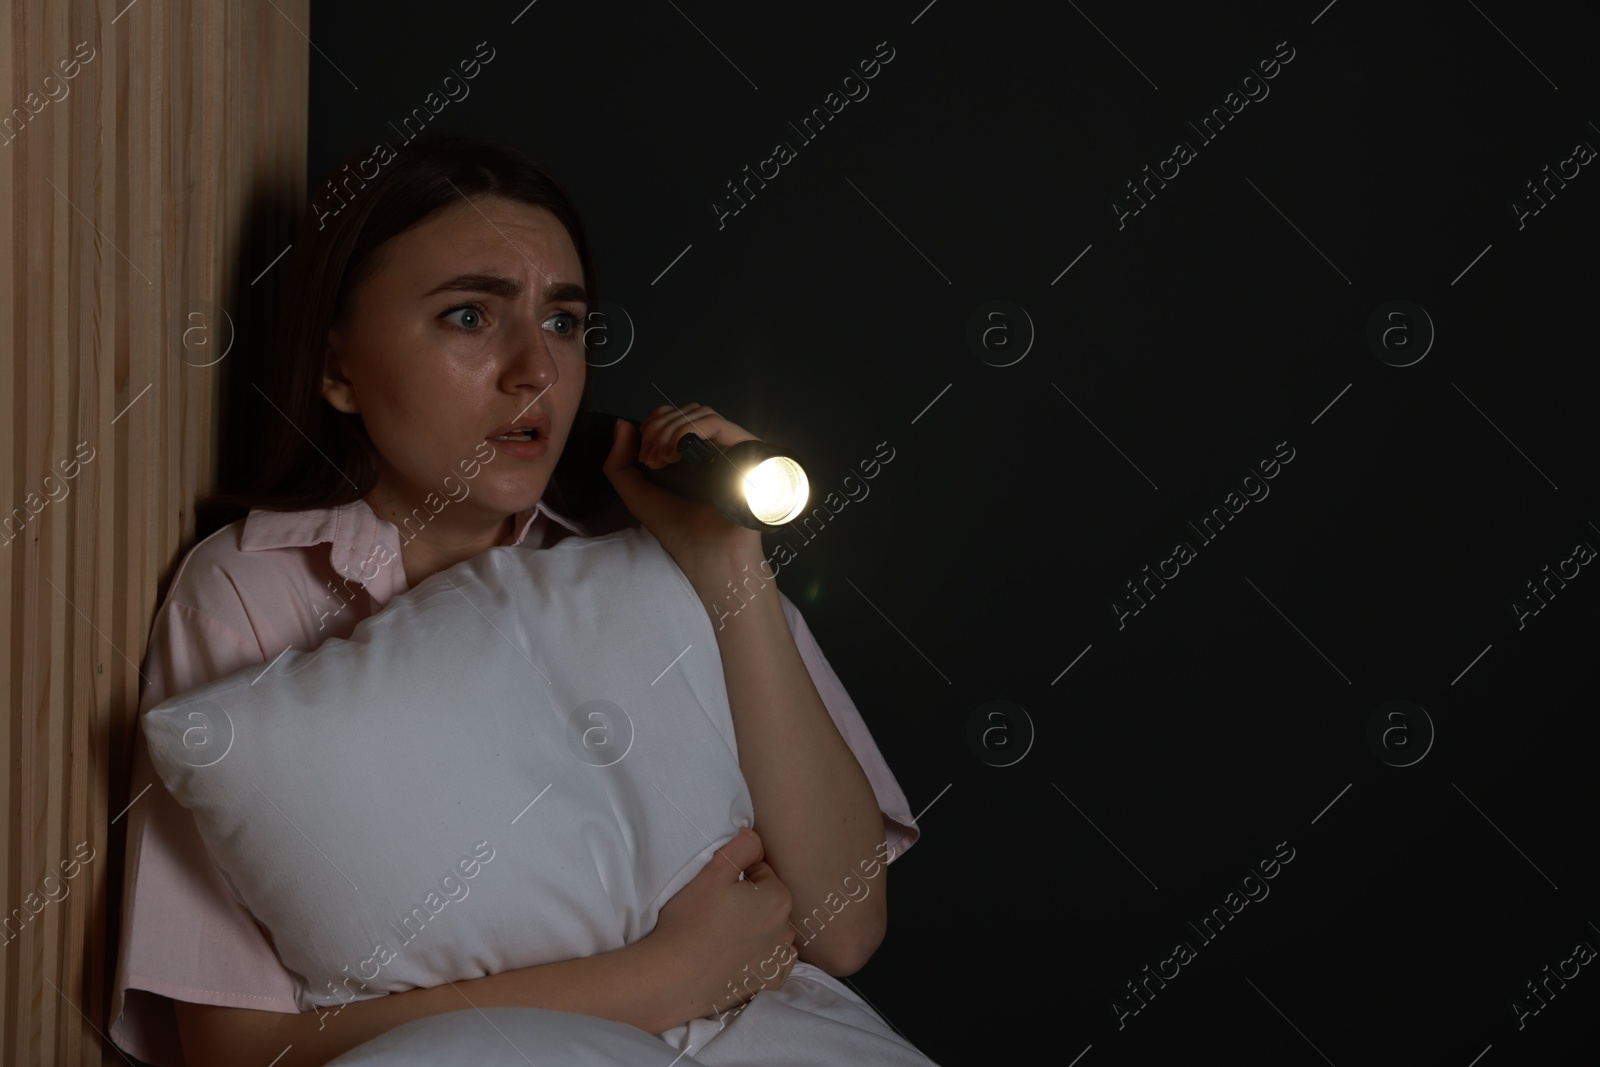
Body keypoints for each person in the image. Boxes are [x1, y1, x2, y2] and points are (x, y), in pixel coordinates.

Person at [108, 135, 924, 1067]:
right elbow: (232, 1047)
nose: (536, 368)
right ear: (337, 367)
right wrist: (664, 978)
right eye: (468, 315)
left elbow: (846, 925)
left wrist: (734, 566)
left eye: (566, 322)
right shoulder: (247, 591)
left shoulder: (657, 564)